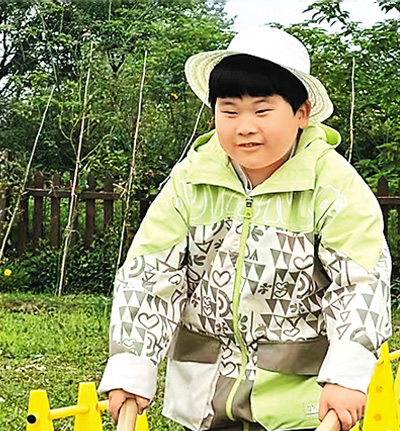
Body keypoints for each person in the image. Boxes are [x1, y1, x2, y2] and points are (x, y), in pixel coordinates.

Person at [99, 26, 392, 431]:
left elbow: (359, 282)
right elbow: (149, 274)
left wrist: (347, 373)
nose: (245, 126)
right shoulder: (191, 180)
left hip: (302, 399)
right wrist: (132, 364)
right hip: (205, 393)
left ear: (302, 113)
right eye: (230, 111)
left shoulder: (333, 185)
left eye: (262, 110)